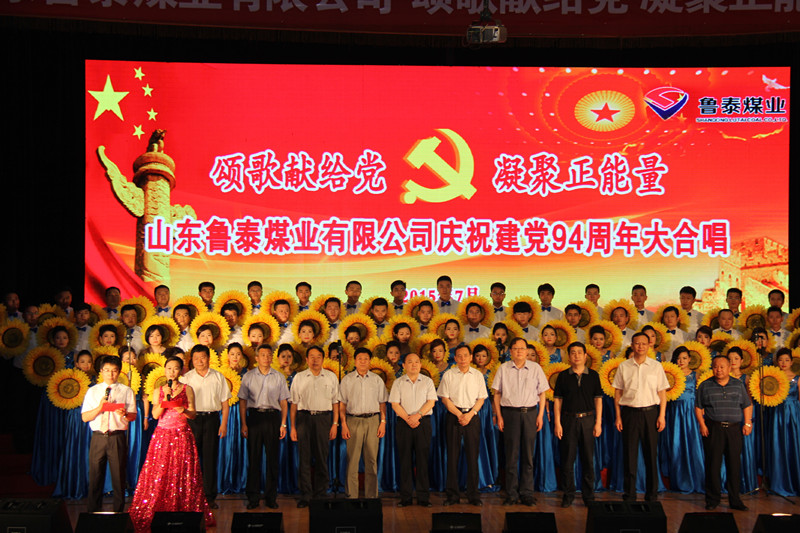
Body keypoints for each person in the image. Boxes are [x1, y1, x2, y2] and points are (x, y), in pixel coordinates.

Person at [129, 355, 215, 531]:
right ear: (165, 370)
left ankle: (183, 511)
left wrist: (183, 409)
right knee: (160, 473)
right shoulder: (159, 390)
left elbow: (193, 414)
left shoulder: (187, 389)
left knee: (182, 473)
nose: (172, 372)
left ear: (181, 371)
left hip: (182, 434)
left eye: (175, 368)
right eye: (169, 368)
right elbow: (155, 415)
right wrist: (165, 401)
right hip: (162, 436)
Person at [612, 332, 669, 502]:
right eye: (637, 343)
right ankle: (629, 494)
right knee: (629, 455)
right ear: (632, 345)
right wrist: (618, 416)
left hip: (650, 414)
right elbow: (617, 393)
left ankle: (651, 494)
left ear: (649, 345)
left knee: (651, 455)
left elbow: (662, 393)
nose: (641, 347)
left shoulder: (656, 366)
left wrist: (662, 416)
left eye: (644, 343)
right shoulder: (624, 366)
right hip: (629, 414)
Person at [493, 337, 549, 506]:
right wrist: (499, 416)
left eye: (522, 348)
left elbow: (542, 393)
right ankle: (511, 493)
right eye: (516, 348)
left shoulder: (535, 368)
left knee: (528, 456)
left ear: (527, 351)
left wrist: (540, 415)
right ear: (510, 351)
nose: (519, 351)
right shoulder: (503, 368)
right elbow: (497, 394)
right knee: (511, 456)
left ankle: (527, 493)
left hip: (530, 413)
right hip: (510, 414)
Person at [695, 355, 752, 510]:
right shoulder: (705, 385)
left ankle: (735, 500)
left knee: (734, 465)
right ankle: (712, 500)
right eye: (715, 367)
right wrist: (702, 424)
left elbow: (747, 405)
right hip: (713, 429)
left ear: (729, 368)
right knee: (713, 465)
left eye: (722, 367)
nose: (718, 370)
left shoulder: (738, 385)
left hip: (734, 429)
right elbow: (698, 407)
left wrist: (748, 423)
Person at [81, 355, 137, 512]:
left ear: (119, 372)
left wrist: (125, 414)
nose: (110, 374)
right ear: (101, 371)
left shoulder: (126, 391)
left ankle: (118, 513)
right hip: (98, 437)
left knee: (118, 478)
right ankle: (93, 513)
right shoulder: (93, 391)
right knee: (95, 477)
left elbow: (133, 416)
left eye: (114, 371)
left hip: (116, 437)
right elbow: (85, 417)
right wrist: (100, 407)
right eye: (106, 370)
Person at [239, 344, 290, 509]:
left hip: (273, 418)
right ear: (256, 358)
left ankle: (271, 497)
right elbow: (243, 401)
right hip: (254, 417)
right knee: (254, 459)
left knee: (272, 459)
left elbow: (284, 401)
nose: (266, 358)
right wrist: (244, 423)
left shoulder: (279, 377)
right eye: (263, 355)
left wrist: (283, 423)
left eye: (269, 355)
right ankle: (253, 497)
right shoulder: (248, 376)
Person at [553, 342, 603, 507]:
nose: (576, 355)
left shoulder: (593, 375)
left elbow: (598, 400)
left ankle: (589, 496)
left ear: (585, 355)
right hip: (568, 420)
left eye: (579, 352)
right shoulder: (563, 376)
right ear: (568, 356)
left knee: (588, 459)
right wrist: (557, 423)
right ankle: (568, 495)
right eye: (573, 353)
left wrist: (598, 422)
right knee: (567, 460)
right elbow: (558, 400)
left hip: (588, 420)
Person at [290, 345, 340, 507]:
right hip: (304, 418)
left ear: (323, 359)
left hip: (324, 419)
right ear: (306, 359)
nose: (315, 360)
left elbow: (336, 402)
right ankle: (305, 495)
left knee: (321, 458)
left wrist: (335, 424)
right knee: (304, 459)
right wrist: (292, 427)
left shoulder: (331, 377)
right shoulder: (299, 377)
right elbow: (293, 404)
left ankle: (321, 494)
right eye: (311, 357)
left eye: (318, 357)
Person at [182, 344, 231, 509]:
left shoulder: (218, 377)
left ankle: (209, 498)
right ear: (192, 360)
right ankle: (191, 496)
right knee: (192, 460)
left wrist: (224, 424)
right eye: (196, 358)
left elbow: (225, 404)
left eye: (202, 357)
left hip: (212, 420)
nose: (199, 361)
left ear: (208, 358)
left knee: (210, 459)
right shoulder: (186, 378)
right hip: (192, 420)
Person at [438, 343, 487, 506]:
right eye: (459, 356)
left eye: (466, 355)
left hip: (472, 416)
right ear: (455, 358)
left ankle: (473, 495)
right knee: (452, 457)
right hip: (454, 416)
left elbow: (481, 398)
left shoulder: (477, 375)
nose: (463, 359)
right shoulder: (449, 374)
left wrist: (470, 414)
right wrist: (460, 415)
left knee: (473, 456)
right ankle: (452, 495)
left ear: (471, 357)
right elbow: (445, 399)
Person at [339, 347, 387, 499]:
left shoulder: (377, 380)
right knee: (352, 461)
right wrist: (344, 424)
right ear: (355, 361)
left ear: (370, 361)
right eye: (360, 359)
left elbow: (382, 403)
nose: (363, 362)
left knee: (371, 460)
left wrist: (383, 422)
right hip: (353, 420)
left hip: (373, 421)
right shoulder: (347, 380)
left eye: (366, 359)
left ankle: (371, 497)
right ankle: (351, 497)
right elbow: (342, 404)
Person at [390, 352, 437, 507]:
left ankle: (423, 497)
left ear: (420, 364)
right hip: (404, 423)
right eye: (410, 362)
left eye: (416, 362)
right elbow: (395, 404)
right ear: (404, 365)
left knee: (423, 460)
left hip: (423, 422)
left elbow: (431, 402)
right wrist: (408, 418)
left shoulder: (428, 381)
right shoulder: (398, 382)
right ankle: (406, 497)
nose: (414, 365)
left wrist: (417, 416)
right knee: (405, 460)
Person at [659, 346, 704, 494]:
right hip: (674, 413)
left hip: (691, 413)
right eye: (678, 358)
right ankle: (679, 481)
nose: (681, 361)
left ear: (690, 359)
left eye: (684, 358)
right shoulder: (670, 374)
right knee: (676, 445)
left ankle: (697, 480)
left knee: (692, 444)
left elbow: (700, 396)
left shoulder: (696, 375)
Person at [766, 348, 800, 496]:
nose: (784, 363)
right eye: (781, 360)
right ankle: (778, 483)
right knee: (778, 445)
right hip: (776, 414)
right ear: (776, 362)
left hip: (793, 416)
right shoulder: (772, 378)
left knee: (793, 445)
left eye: (787, 360)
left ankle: (794, 482)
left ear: (791, 362)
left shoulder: (797, 379)